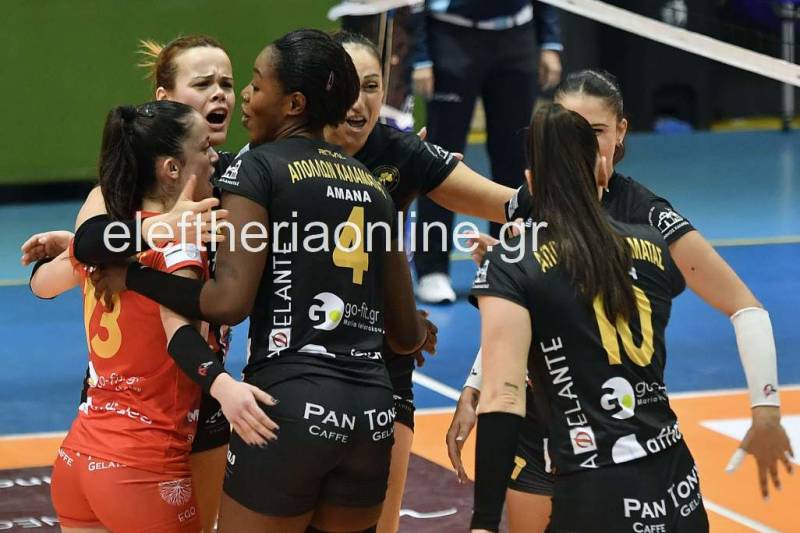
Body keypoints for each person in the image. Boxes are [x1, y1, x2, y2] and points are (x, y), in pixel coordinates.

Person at [90, 29, 433, 532]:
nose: (245, 97)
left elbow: (227, 302)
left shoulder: (255, 170)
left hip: (286, 407)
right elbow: (405, 337)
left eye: (254, 83)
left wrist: (136, 276)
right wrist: (418, 328)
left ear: (293, 103)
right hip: (371, 416)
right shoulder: (374, 189)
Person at [451, 70, 795, 531]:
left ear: (620, 132)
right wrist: (475, 386)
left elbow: (744, 305)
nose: (578, 146)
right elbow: (524, 312)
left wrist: (766, 408)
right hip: (536, 418)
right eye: (568, 128)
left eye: (594, 131)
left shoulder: (645, 215)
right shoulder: (537, 200)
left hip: (609, 438)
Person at [22, 35, 239, 533]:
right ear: (164, 100)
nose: (220, 94)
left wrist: (82, 250)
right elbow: (182, 335)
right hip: (151, 449)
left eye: (227, 83)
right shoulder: (162, 228)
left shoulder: (226, 181)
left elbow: (46, 280)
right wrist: (226, 386)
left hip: (86, 446)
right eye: (203, 83)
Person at [325, 30, 533, 533]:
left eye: (371, 86)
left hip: (383, 365)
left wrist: (587, 206)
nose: (360, 101)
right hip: (301, 367)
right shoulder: (279, 156)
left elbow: (513, 205)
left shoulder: (401, 152)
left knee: (381, 523)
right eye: (347, 86)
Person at [470, 102, 711, 532]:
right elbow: (652, 283)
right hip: (679, 485)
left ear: (530, 183)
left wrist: (484, 523)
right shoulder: (654, 245)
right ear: (602, 172)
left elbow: (503, 399)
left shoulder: (512, 263)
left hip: (597, 491)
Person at [412, 0, 564, 304]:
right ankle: (432, 269)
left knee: (515, 157)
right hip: (451, 36)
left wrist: (549, 41)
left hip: (517, 37)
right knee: (440, 158)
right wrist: (420, 56)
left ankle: (508, 263)